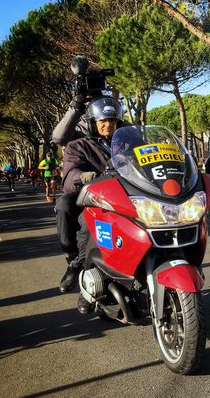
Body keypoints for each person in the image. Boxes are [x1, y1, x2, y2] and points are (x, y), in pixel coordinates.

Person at [56, 96, 123, 315]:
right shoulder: (77, 145)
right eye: (103, 120)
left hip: (126, 195)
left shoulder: (127, 142)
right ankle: (79, 268)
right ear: (93, 122)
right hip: (92, 197)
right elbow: (69, 177)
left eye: (112, 120)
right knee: (76, 213)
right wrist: (85, 176)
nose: (108, 124)